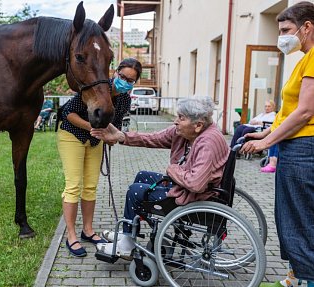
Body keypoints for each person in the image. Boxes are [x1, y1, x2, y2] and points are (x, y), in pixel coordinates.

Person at [90, 96, 230, 257]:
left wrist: (172, 169)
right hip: (186, 187)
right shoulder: (186, 132)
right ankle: (128, 233)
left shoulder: (208, 142)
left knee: (135, 192)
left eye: (181, 118)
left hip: (195, 196)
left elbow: (196, 184)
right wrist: (122, 136)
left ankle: (127, 245)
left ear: (198, 125)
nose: (175, 121)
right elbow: (154, 138)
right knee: (142, 176)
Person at [241, 2, 314, 286]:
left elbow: (306, 112)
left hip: (304, 149)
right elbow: (291, 110)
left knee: (300, 221)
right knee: (296, 218)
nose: (281, 37)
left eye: (286, 30)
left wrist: (267, 142)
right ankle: (296, 277)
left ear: (307, 27)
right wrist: (267, 131)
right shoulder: (304, 59)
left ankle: (306, 279)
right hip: (298, 146)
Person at [57, 58, 142, 257]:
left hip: (95, 141)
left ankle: (88, 230)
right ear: (115, 72)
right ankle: (71, 235)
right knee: (73, 185)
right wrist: (92, 127)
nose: (124, 82)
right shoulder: (96, 88)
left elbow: (116, 127)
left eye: (130, 80)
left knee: (90, 186)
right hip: (72, 135)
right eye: (122, 76)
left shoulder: (124, 99)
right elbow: (67, 113)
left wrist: (113, 139)